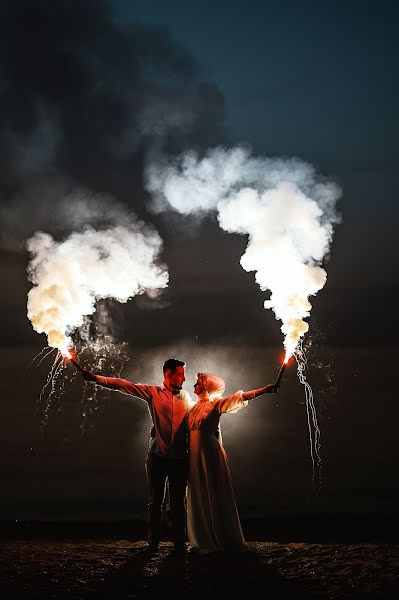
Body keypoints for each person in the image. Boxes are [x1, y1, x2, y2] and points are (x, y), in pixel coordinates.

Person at [74, 357, 192, 553]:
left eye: (183, 374)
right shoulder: (153, 393)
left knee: (179, 502)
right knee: (156, 501)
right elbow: (124, 386)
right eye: (180, 374)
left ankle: (179, 542)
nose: (184, 378)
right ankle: (153, 542)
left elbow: (196, 418)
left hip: (180, 458)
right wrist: (95, 378)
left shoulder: (186, 398)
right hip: (157, 457)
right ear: (168, 374)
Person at [187, 372, 276, 555]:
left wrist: (264, 390)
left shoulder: (215, 404)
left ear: (206, 387)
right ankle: (202, 539)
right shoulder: (193, 407)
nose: (194, 385)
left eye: (198, 383)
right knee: (199, 493)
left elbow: (240, 397)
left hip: (210, 454)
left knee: (213, 491)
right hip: (194, 456)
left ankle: (219, 538)